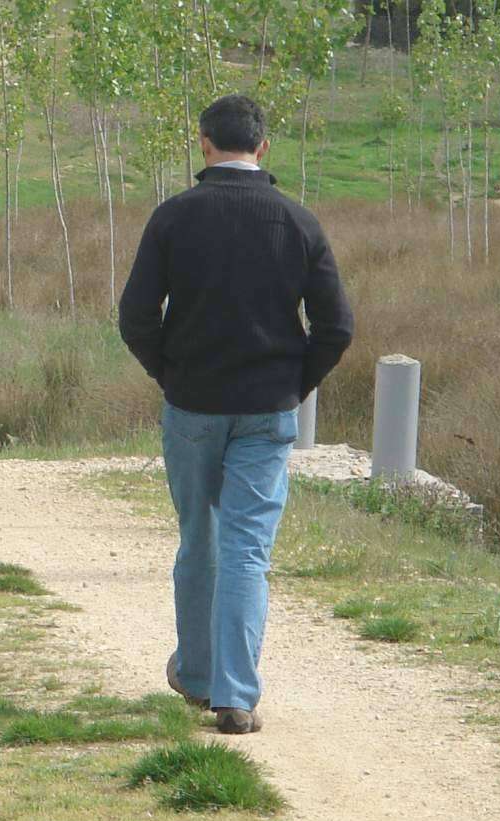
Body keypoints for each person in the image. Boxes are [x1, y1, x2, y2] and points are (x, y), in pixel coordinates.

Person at [117, 94, 354, 735]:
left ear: (203, 144)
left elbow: (135, 318)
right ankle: (235, 697)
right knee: (247, 550)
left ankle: (196, 677)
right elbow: (336, 326)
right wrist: (294, 385)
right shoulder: (298, 222)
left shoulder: (173, 218)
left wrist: (170, 375)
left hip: (192, 404)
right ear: (264, 147)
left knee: (200, 539)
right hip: (267, 409)